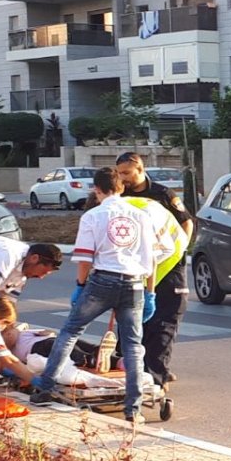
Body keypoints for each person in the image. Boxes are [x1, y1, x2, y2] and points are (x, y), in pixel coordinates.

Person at [30, 168, 157, 424]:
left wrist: (80, 285)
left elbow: (85, 258)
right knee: (133, 344)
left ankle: (45, 387)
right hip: (134, 283)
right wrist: (150, 292)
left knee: (70, 331)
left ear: (97, 190)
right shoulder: (141, 216)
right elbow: (151, 258)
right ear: (121, 187)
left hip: (102, 281)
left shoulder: (93, 216)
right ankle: (133, 409)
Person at [114, 151, 192, 389]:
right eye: (119, 173)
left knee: (165, 320)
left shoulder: (162, 194)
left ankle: (157, 374)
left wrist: (179, 253)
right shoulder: (120, 194)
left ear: (140, 169)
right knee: (134, 321)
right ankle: (130, 372)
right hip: (135, 269)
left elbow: (186, 222)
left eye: (126, 173)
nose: (122, 178)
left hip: (167, 266)